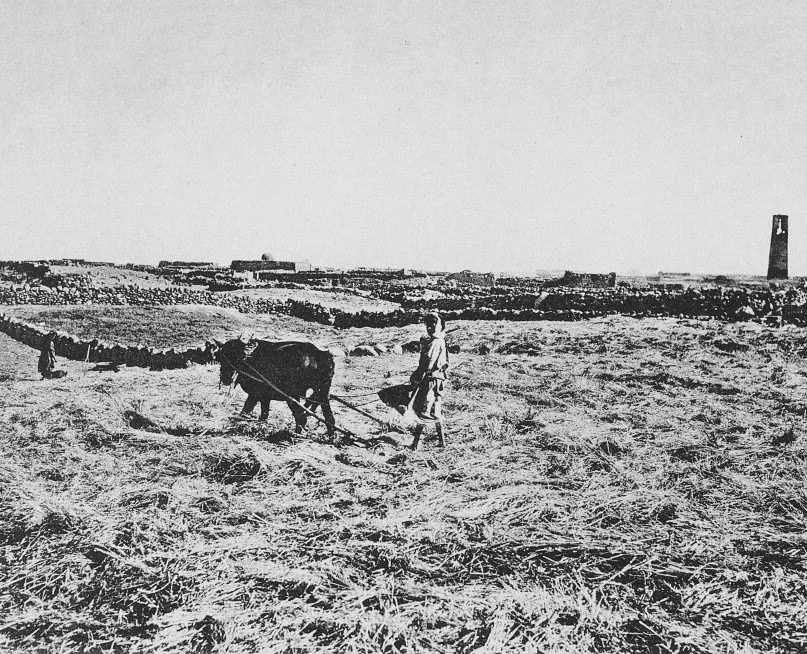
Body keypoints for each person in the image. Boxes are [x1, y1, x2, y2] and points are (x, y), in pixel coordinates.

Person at [409, 311, 448, 450]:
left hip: (431, 381)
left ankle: (415, 445)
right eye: (428, 324)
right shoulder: (436, 340)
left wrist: (415, 378)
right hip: (437, 380)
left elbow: (427, 364)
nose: (430, 327)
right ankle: (441, 442)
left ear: (440, 325)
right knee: (433, 411)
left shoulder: (435, 342)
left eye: (433, 324)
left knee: (424, 411)